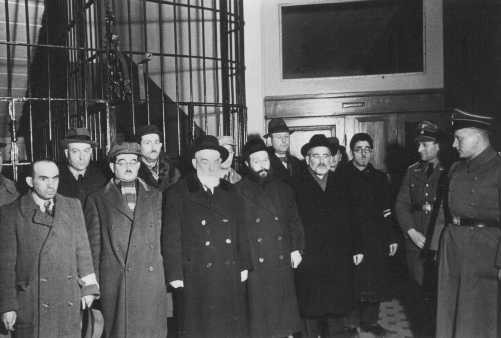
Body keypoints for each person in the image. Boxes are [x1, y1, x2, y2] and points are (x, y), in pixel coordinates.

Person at [163, 135, 251, 338]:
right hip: (195, 275)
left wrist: (244, 265)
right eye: (205, 161)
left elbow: (241, 231)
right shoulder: (178, 192)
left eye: (216, 161)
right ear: (194, 163)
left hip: (229, 272)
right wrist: (175, 275)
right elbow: (171, 238)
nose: (211, 167)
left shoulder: (231, 192)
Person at [0, 160, 99, 338]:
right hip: (32, 301)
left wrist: (89, 289)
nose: (51, 184)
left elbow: (82, 250)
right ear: (30, 181)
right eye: (44, 179)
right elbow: (6, 266)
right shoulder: (11, 213)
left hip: (67, 297)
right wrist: (8, 306)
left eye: (55, 178)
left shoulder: (72, 206)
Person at [84, 142, 168, 338]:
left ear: (139, 165)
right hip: (116, 282)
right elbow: (93, 248)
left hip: (150, 281)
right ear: (113, 167)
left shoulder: (157, 197)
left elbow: (165, 241)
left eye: (133, 161)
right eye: (122, 162)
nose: (129, 166)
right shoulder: (97, 199)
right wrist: (93, 286)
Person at [436, 109, 501, 338]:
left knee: (480, 317)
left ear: (479, 136)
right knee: (449, 312)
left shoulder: (498, 167)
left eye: (459, 138)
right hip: (452, 249)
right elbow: (445, 211)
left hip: (485, 253)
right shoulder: (455, 168)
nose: (454, 144)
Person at [292, 134, 363, 338]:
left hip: (338, 258)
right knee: (310, 311)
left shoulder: (343, 183)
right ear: (307, 159)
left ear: (332, 159)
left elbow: (354, 218)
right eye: (316, 156)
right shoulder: (295, 185)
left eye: (326, 155)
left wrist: (357, 247)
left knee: (336, 309)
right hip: (309, 259)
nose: (322, 160)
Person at [235, 137, 304, 338]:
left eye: (265, 160)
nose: (262, 165)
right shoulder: (237, 192)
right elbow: (236, 231)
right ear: (247, 164)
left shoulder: (284, 189)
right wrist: (242, 264)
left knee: (284, 321)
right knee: (260, 322)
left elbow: (294, 222)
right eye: (256, 161)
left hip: (281, 261)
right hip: (256, 263)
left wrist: (297, 248)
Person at [345, 133, 398, 336]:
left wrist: (391, 237)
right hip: (351, 237)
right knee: (353, 281)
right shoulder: (341, 175)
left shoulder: (379, 177)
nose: (363, 153)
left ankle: (370, 321)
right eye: (359, 149)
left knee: (375, 279)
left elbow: (387, 209)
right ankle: (350, 325)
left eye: (367, 149)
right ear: (352, 151)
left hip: (375, 237)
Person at [395, 121, 447, 287]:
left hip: (441, 241)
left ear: (438, 146)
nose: (419, 149)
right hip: (415, 241)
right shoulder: (412, 171)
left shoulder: (450, 170)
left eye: (424, 145)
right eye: (418, 145)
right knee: (417, 289)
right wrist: (412, 232)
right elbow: (401, 205)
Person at [57, 128, 107, 204]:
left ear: (90, 152)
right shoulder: (55, 178)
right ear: (67, 153)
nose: (81, 157)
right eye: (75, 151)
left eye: (86, 151)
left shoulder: (102, 178)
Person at [136, 124, 181, 191]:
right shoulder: (134, 170)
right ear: (138, 147)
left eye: (156, 142)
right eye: (148, 143)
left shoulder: (172, 171)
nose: (153, 147)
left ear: (160, 145)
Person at [264, 118, 302, 184]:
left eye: (286, 136)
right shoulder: (265, 163)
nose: (284, 141)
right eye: (279, 137)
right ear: (270, 140)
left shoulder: (297, 162)